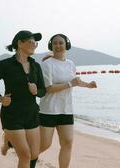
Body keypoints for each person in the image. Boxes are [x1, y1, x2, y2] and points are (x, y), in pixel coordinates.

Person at [0, 30, 46, 168]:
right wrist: (0, 98)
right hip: (12, 114)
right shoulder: (5, 64)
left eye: (35, 42)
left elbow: (43, 91)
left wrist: (37, 91)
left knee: (34, 154)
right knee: (25, 155)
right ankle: (9, 140)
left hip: (31, 114)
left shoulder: (36, 66)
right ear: (20, 43)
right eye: (31, 41)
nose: (34, 45)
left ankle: (8, 143)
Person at [39, 34, 97, 168]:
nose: (58, 45)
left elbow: (75, 81)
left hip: (66, 110)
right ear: (51, 46)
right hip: (48, 110)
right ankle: (27, 158)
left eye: (61, 43)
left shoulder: (71, 64)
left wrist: (88, 85)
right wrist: (70, 84)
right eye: (55, 43)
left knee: (67, 143)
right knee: (45, 145)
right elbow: (48, 88)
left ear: (66, 45)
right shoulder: (47, 65)